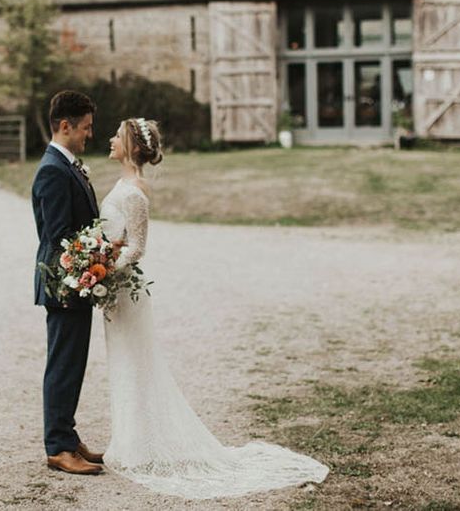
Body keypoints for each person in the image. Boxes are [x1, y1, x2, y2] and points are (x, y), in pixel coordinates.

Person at [99, 117, 329, 499]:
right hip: (114, 289)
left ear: (131, 147)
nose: (110, 140)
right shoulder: (123, 185)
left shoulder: (135, 191)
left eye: (116, 137)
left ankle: (138, 446)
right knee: (122, 361)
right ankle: (128, 440)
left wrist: (104, 269)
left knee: (135, 362)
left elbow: (137, 248)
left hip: (125, 289)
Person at [31, 90, 104, 475]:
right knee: (62, 364)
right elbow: (58, 237)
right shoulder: (52, 171)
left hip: (76, 284)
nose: (89, 134)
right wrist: (93, 260)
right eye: (86, 128)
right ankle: (58, 445)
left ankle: (67, 434)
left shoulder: (68, 165)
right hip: (63, 285)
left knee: (72, 364)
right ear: (65, 126)